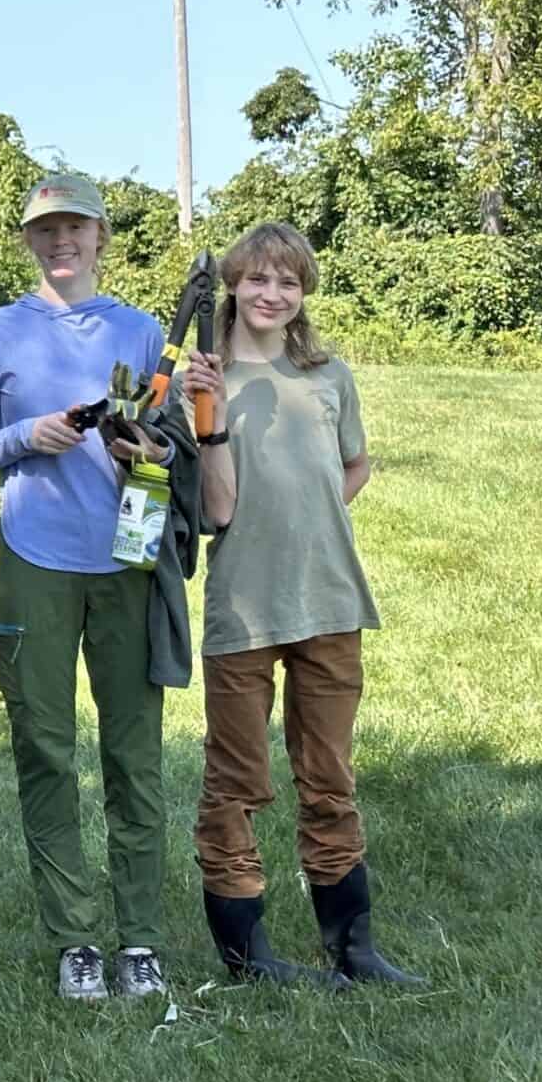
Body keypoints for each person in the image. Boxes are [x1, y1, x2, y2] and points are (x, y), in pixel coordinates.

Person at [0, 171, 179, 1004]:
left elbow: (172, 445)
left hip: (126, 559)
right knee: (45, 748)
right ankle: (76, 937)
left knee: (133, 753)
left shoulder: (146, 331)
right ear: (28, 241)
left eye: (75, 227)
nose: (62, 242)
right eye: (46, 230)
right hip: (34, 560)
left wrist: (146, 452)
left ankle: (141, 938)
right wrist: (25, 436)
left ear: (101, 236)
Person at [178, 221, 426, 989]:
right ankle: (247, 955)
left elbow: (357, 465)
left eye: (287, 282)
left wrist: (317, 519)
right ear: (234, 284)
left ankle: (353, 949)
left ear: (303, 293)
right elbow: (219, 509)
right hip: (245, 610)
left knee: (329, 779)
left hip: (330, 601)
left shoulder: (329, 376)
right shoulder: (204, 380)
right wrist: (208, 416)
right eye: (258, 279)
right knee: (236, 783)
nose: (271, 294)